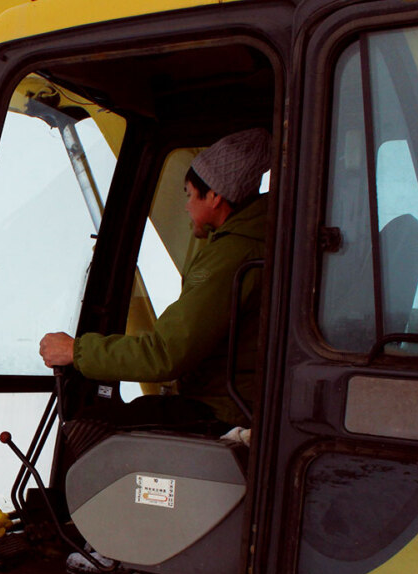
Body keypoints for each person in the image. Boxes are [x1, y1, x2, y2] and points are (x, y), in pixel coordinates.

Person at [39, 128, 271, 431]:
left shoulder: (233, 252)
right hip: (233, 402)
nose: (187, 206)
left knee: (93, 430)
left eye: (189, 195)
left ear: (214, 196)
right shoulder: (253, 239)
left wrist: (76, 351)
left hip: (224, 411)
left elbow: (166, 353)